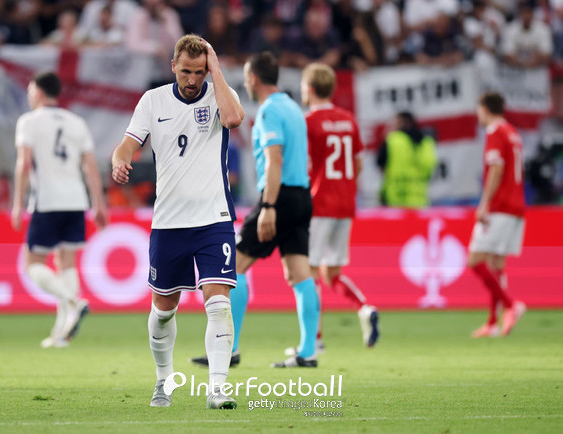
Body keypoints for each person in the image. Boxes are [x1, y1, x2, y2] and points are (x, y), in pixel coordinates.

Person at [111, 35, 245, 409]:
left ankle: (217, 389)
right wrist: (119, 160)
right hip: (169, 222)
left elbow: (234, 118)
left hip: (214, 218)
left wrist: (217, 70)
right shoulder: (152, 100)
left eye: (199, 72)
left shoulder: (219, 94)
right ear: (173, 66)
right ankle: (163, 380)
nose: (192, 79)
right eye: (186, 71)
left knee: (218, 304)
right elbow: (127, 144)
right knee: (162, 312)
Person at [191, 51, 320, 369]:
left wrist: (269, 206)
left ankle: (229, 349)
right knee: (299, 273)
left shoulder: (269, 113)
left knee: (232, 266)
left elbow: (275, 159)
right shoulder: (294, 107)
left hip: (279, 197)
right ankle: (308, 352)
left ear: (254, 79)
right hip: (301, 196)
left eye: (247, 78)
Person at [11, 72, 108, 349]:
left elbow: (24, 164)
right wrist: (99, 205)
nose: (30, 95)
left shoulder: (28, 122)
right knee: (66, 264)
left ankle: (74, 302)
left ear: (39, 92)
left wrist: (18, 203)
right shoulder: (77, 122)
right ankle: (61, 333)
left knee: (33, 265)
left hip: (47, 200)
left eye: (31, 90)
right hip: (76, 200)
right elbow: (90, 167)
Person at [298, 63, 379, 352]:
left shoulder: (308, 122)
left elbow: (304, 165)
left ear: (308, 89)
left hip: (320, 205)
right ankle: (364, 307)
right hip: (345, 205)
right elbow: (357, 163)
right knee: (332, 272)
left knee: (307, 271)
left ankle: (314, 340)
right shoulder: (349, 120)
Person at [468, 92, 526, 338]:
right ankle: (493, 323)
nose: (478, 115)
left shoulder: (495, 132)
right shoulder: (512, 132)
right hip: (516, 207)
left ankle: (511, 305)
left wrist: (484, 204)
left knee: (475, 261)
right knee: (496, 264)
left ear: (485, 109)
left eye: (479, 109)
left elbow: (496, 169)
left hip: (500, 207)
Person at [376, 111, 438, 207]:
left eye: (394, 122)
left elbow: (381, 164)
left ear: (402, 122)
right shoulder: (427, 143)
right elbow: (430, 168)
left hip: (395, 199)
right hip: (420, 199)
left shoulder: (392, 140)